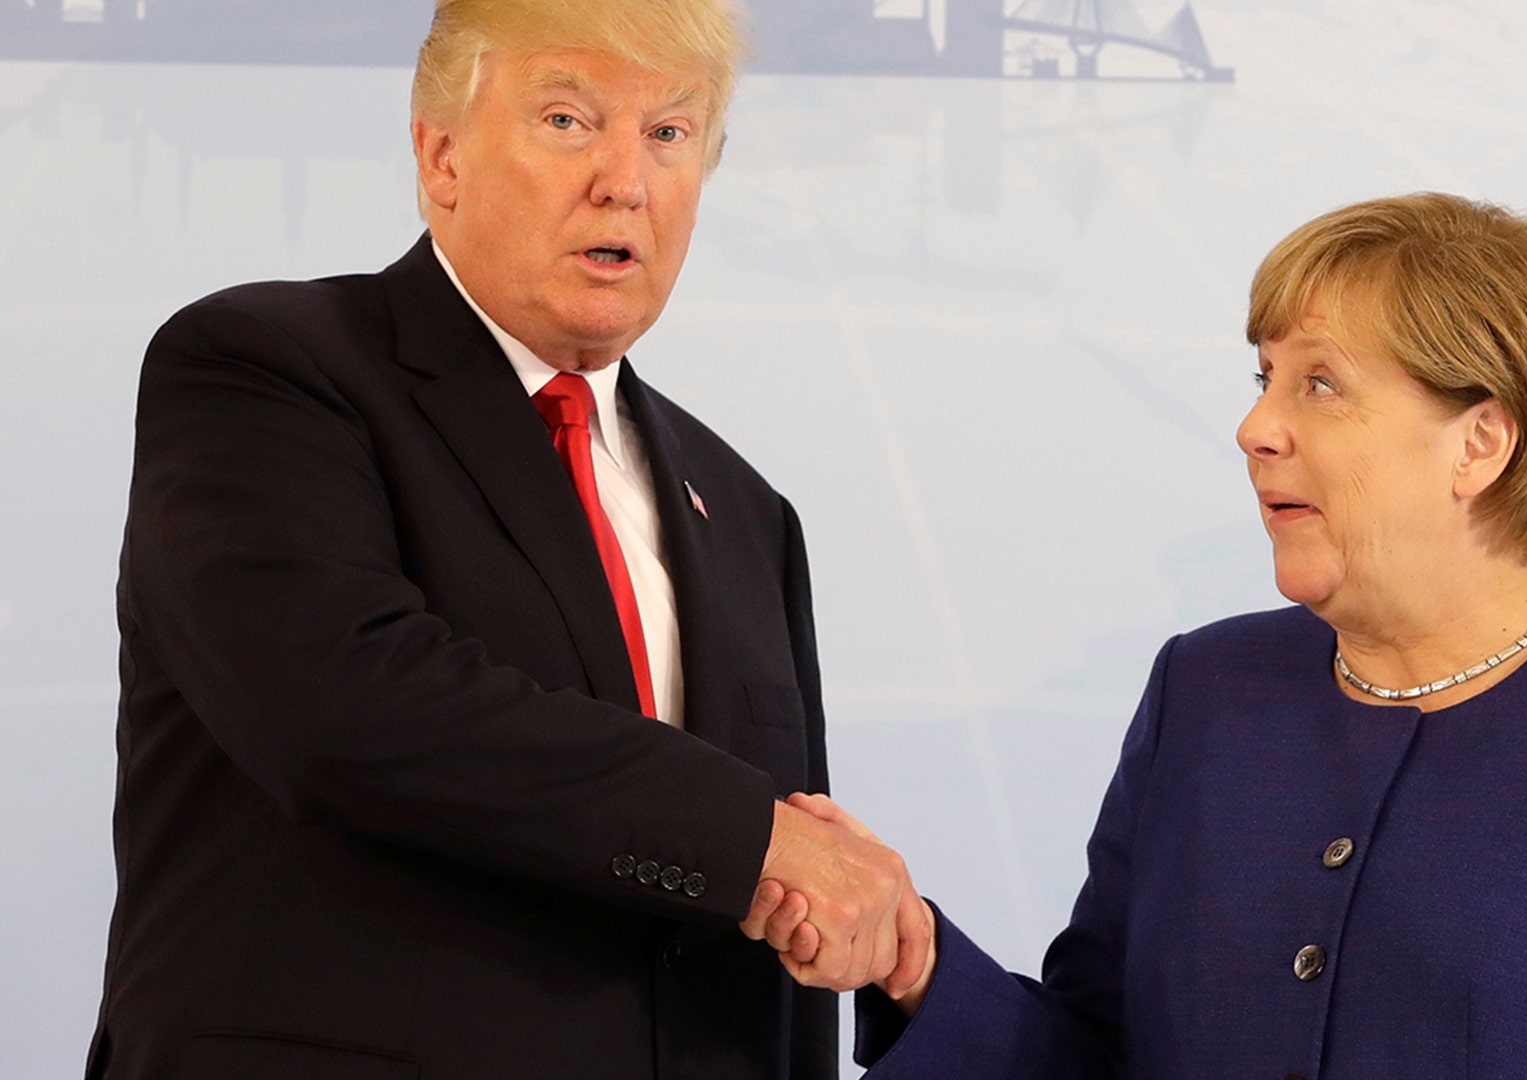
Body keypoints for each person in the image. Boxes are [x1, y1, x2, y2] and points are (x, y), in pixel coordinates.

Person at [754, 193, 1527, 1077]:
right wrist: (916, 960)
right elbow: (1095, 1058)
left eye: (1320, 384)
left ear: (1480, 443)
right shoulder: (1207, 690)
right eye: (1264, 377)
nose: (1254, 427)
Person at [85, 2, 929, 1077]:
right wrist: (752, 838)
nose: (624, 179)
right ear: (440, 156)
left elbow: (767, 920)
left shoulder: (745, 512)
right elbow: (349, 707)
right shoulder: (267, 371)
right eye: (570, 120)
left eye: (669, 134)